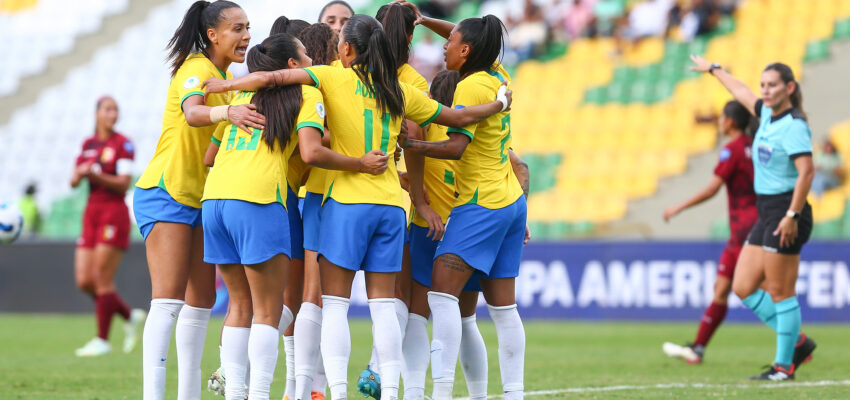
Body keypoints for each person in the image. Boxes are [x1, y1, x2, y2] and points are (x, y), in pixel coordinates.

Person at [202, 13, 510, 400]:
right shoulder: (400, 90)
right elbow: (458, 117)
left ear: (345, 48)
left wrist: (228, 86)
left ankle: (335, 391)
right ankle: (393, 389)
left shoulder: (333, 77)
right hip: (389, 206)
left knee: (332, 304)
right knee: (384, 305)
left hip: (345, 203)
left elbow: (273, 78)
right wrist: (497, 105)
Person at [395, 3, 527, 399]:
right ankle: (513, 393)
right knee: (503, 310)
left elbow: (454, 148)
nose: (444, 47)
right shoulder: (496, 75)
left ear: (467, 51)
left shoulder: (467, 86)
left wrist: (411, 144)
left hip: (479, 202)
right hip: (510, 202)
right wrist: (423, 20)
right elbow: (475, 33)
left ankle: (439, 392)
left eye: (450, 43)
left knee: (439, 295)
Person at [133, 2, 265, 399]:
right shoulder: (196, 69)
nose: (245, 36)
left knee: (203, 298)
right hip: (167, 191)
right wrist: (230, 111)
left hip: (199, 198)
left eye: (248, 28)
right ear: (213, 35)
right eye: (237, 29)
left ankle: (188, 394)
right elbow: (192, 114)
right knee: (169, 300)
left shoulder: (222, 75)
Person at [689, 55, 817, 380]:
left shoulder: (794, 126)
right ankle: (797, 342)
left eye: (773, 85)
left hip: (788, 211)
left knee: (780, 290)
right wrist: (715, 70)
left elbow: (806, 172)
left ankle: (783, 366)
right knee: (744, 287)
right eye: (764, 85)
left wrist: (792, 215)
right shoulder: (766, 116)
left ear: (789, 88)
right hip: (767, 211)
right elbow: (741, 90)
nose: (766, 90)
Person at [356, 4, 433, 398]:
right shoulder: (411, 81)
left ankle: (363, 374)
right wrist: (419, 199)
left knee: (328, 297)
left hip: (352, 195)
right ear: (408, 38)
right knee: (401, 295)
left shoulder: (358, 77)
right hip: (396, 198)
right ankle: (380, 372)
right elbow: (417, 140)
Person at [661, 100, 758, 364]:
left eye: (722, 117)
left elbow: (711, 189)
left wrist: (678, 207)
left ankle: (796, 341)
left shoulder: (732, 149)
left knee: (755, 289)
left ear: (731, 122)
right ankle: (698, 348)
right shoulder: (755, 147)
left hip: (743, 227)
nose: (719, 121)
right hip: (752, 224)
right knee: (722, 288)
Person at [71, 95, 145, 357]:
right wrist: (80, 174)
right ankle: (128, 315)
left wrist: (94, 174)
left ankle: (102, 340)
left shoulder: (122, 144)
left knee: (102, 278)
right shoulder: (88, 144)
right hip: (91, 212)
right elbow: (73, 181)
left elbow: (124, 183)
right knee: (84, 280)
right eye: (107, 109)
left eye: (115, 109)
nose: (112, 114)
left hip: (113, 213)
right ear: (97, 113)